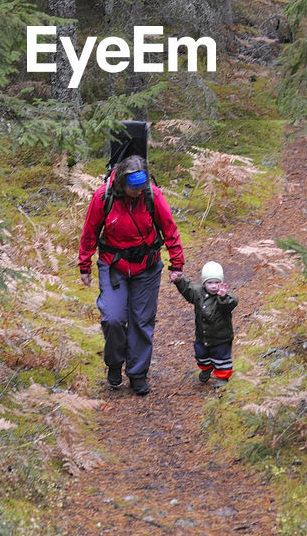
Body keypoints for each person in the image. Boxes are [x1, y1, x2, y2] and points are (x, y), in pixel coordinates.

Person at [78, 154, 184, 396]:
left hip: (146, 268)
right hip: (113, 266)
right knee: (113, 318)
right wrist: (84, 265)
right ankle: (114, 363)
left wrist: (177, 263)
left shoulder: (152, 195)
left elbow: (170, 229)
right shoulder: (102, 197)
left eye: (140, 188)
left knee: (141, 321)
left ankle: (137, 373)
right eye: (132, 189)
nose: (137, 193)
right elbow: (90, 232)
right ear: (121, 184)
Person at [174, 260, 238, 384]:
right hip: (202, 336)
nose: (214, 286)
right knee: (201, 355)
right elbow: (188, 289)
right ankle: (206, 368)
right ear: (204, 283)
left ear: (222, 283)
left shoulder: (224, 297)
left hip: (221, 338)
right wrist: (178, 280)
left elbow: (232, 302)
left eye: (217, 282)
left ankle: (222, 377)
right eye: (210, 283)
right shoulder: (198, 293)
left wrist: (223, 298)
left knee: (221, 358)